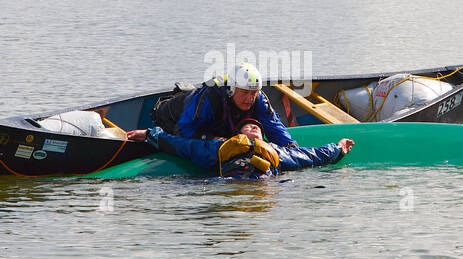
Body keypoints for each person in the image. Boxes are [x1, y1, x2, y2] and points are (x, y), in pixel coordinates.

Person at [128, 117, 353, 178]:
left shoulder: (278, 153)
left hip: (264, 185)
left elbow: (309, 155)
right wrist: (148, 134)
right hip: (228, 183)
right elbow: (182, 145)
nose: (253, 130)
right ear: (237, 134)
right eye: (247, 128)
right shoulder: (218, 149)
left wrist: (337, 148)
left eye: (256, 128)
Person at [155, 61, 297, 146]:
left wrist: (290, 146)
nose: (250, 98)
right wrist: (211, 138)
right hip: (173, 120)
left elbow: (273, 126)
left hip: (219, 125)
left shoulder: (258, 98)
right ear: (231, 89)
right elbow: (184, 130)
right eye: (245, 93)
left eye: (253, 93)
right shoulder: (211, 98)